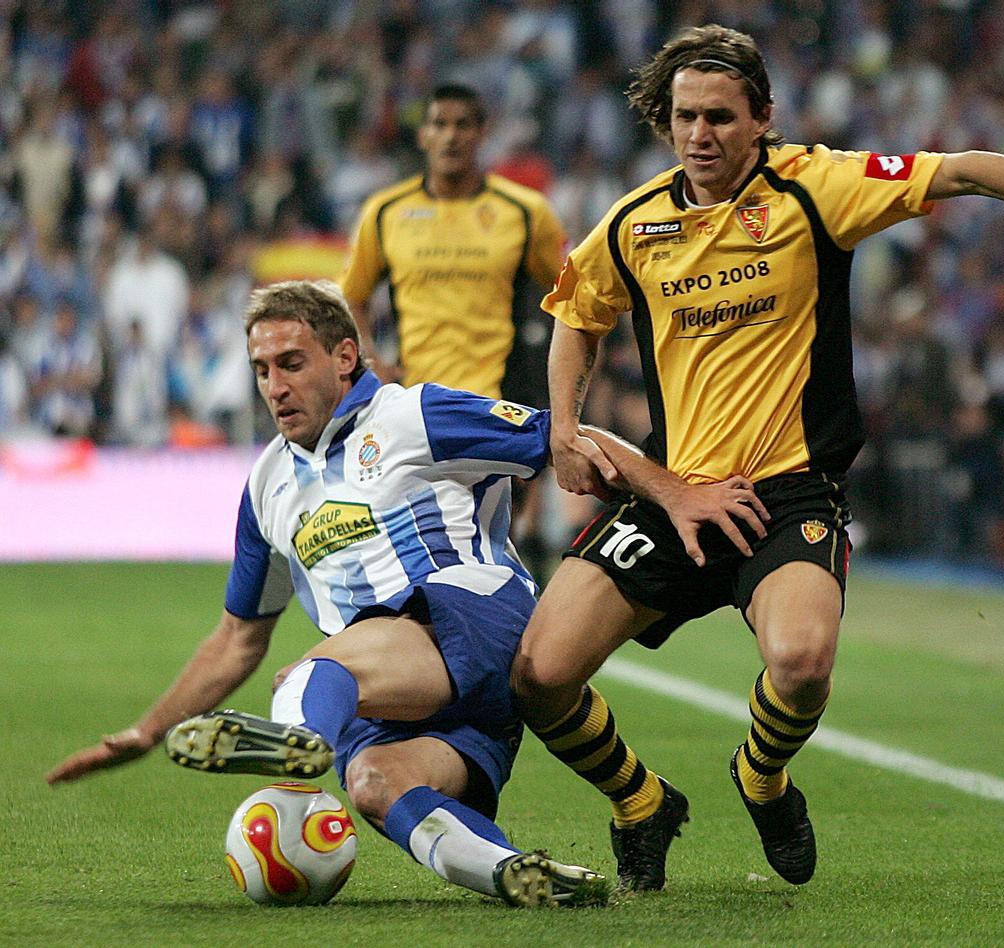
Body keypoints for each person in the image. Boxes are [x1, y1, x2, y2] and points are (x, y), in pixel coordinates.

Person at [509, 23, 1004, 892]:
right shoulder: (636, 224)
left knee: (803, 663)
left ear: (762, 120)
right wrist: (563, 427)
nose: (699, 135)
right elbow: (574, 314)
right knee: (537, 677)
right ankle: (640, 802)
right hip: (673, 496)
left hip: (789, 493)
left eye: (718, 117)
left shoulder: (817, 188)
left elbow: (960, 167)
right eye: (683, 118)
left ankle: (761, 776)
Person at [45, 279, 717, 907]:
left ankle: (300, 738)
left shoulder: (412, 415)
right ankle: (513, 871)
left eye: (291, 363)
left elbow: (564, 438)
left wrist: (675, 493)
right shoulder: (266, 488)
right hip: (399, 701)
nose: (274, 387)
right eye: (261, 370)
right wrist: (147, 730)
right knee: (374, 784)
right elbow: (237, 636)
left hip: (471, 619)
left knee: (309, 672)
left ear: (344, 357)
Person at [338, 83, 566, 403]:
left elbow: (574, 299)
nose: (450, 137)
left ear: (482, 133)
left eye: (463, 125)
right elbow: (350, 298)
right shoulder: (385, 212)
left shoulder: (526, 211)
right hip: (412, 404)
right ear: (423, 135)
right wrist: (371, 361)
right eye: (439, 124)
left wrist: (564, 385)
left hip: (502, 402)